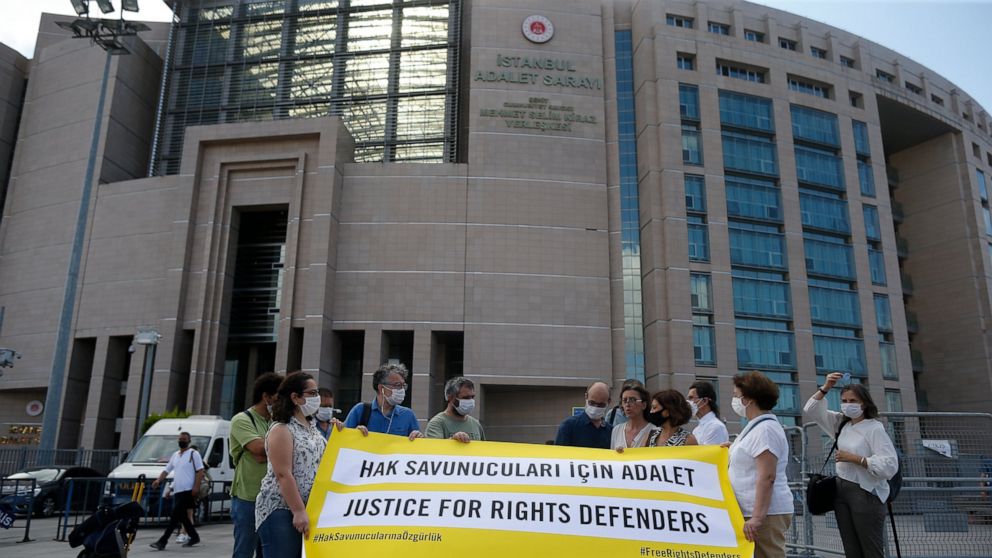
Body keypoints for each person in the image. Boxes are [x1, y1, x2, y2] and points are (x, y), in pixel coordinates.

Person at [804, 373, 899, 558]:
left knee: (871, 548)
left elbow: (889, 465)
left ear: (864, 403)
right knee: (851, 548)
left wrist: (856, 459)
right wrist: (827, 386)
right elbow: (812, 409)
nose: (848, 404)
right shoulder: (842, 424)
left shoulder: (874, 428)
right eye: (844, 400)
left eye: (853, 400)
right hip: (841, 490)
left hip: (866, 491)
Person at [255, 372, 327, 558]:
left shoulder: (313, 429)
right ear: (295, 397)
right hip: (281, 509)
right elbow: (283, 474)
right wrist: (298, 511)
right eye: (312, 393)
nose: (317, 398)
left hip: (308, 509)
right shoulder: (282, 429)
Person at [726, 371, 792, 558]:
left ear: (748, 400)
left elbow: (767, 476)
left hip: (764, 513)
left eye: (736, 396)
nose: (734, 400)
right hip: (752, 509)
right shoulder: (756, 428)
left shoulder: (765, 430)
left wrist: (757, 517)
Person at [229, 371, 282, 558]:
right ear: (265, 396)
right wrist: (283, 448)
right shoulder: (242, 420)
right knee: (243, 550)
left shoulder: (277, 421)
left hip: (273, 499)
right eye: (277, 398)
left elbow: (264, 452)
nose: (281, 403)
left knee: (267, 552)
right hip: (248, 498)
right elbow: (258, 449)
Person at [149, 432, 204, 550]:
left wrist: (196, 487)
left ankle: (162, 541)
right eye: (180, 439)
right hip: (178, 491)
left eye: (184, 439)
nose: (181, 441)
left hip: (188, 491)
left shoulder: (193, 454)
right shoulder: (175, 455)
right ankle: (194, 537)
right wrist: (159, 481)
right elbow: (167, 470)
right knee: (183, 517)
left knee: (174, 516)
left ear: (189, 441)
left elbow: (200, 471)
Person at [344, 363, 422, 440]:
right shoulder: (360, 410)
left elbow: (418, 448)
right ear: (381, 388)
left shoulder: (408, 415)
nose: (401, 390)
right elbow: (343, 438)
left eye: (403, 386)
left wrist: (419, 437)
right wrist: (353, 434)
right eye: (397, 385)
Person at [554, 381, 613, 449]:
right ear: (586, 397)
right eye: (592, 403)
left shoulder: (611, 431)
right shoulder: (568, 426)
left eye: (601, 405)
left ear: (609, 402)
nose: (595, 407)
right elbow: (559, 456)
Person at [425, 377, 485, 442]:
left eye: (472, 397)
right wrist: (453, 440)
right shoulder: (437, 423)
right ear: (450, 398)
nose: (470, 401)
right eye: (465, 398)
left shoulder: (476, 425)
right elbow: (434, 449)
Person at [611, 385, 658, 450]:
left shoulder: (654, 431)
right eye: (624, 400)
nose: (627, 404)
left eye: (632, 400)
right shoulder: (616, 430)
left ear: (644, 405)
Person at [688, 380, 729, 445]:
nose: (689, 402)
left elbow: (709, 454)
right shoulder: (696, 430)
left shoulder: (716, 427)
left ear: (705, 401)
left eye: (691, 398)